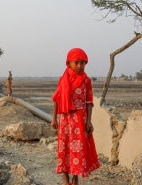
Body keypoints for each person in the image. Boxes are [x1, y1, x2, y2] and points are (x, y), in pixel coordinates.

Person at [51, 48, 100, 185]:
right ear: (69, 63)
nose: (79, 66)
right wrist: (54, 118)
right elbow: (57, 99)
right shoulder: (63, 79)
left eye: (82, 63)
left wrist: (89, 121)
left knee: (78, 149)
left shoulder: (86, 81)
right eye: (76, 62)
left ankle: (75, 178)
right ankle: (65, 178)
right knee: (64, 147)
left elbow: (89, 102)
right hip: (65, 119)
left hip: (80, 119)